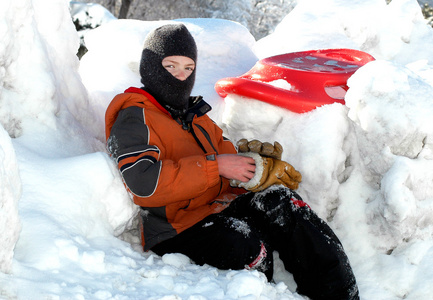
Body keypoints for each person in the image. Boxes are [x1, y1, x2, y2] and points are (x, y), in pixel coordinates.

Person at [105, 23, 359, 300]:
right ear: (151, 67)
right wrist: (218, 166)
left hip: (217, 205)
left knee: (284, 203)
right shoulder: (134, 116)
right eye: (171, 66)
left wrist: (255, 168)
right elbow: (144, 185)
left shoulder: (193, 114)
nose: (180, 76)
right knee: (248, 247)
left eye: (188, 68)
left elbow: (225, 155)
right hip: (176, 226)